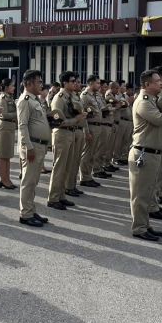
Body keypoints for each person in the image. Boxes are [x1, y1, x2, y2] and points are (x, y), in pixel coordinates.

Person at [129, 69, 162, 241]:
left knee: (149, 192)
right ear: (147, 84)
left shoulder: (153, 99)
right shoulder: (143, 102)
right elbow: (159, 119)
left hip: (153, 153)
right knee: (141, 195)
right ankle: (139, 228)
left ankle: (145, 225)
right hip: (144, 153)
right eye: (157, 81)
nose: (161, 83)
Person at [47, 71, 87, 210]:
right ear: (64, 83)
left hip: (70, 133)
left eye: (75, 81)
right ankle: (53, 198)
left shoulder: (70, 96)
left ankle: (61, 195)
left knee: (67, 167)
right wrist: (76, 119)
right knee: (59, 167)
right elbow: (57, 122)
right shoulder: (59, 98)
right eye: (72, 81)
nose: (75, 83)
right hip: (62, 134)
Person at [17, 70, 52, 227]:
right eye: (38, 81)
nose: (41, 85)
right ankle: (25, 214)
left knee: (34, 181)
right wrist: (29, 147)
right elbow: (22, 126)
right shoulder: (25, 100)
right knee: (28, 181)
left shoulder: (35, 100)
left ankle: (31, 210)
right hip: (32, 146)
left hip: (39, 146)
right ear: (29, 83)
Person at [79, 75, 104, 188]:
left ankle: (89, 176)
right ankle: (84, 177)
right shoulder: (85, 96)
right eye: (97, 83)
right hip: (91, 127)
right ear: (90, 83)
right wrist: (86, 131)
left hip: (97, 127)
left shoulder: (95, 95)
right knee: (87, 153)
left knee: (92, 153)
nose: (99, 85)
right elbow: (83, 115)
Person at [0, 78, 18, 190]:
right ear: (6, 87)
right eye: (12, 85)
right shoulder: (2, 98)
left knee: (7, 156)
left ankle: (7, 179)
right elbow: (3, 114)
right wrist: (17, 113)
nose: (14, 87)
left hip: (9, 128)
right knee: (3, 156)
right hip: (4, 128)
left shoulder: (10, 98)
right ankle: (3, 180)